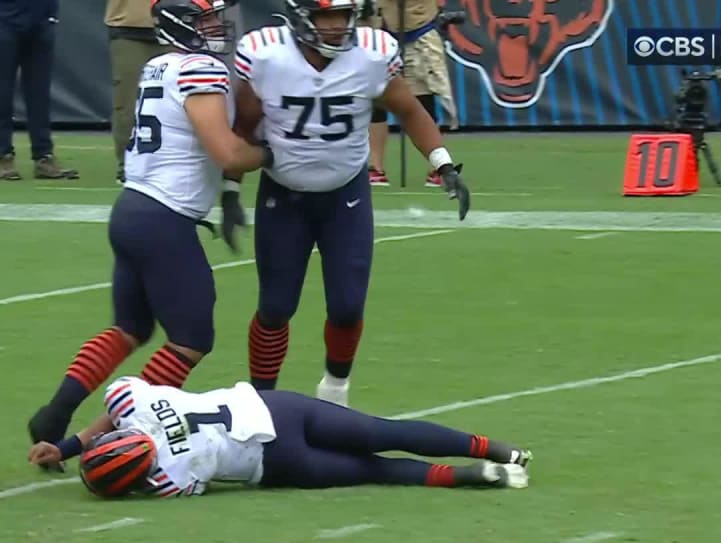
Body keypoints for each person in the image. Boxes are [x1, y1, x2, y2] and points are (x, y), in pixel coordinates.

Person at [25, 0, 271, 471]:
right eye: (208, 18)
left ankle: (54, 412)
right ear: (184, 23)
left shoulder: (158, 65)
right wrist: (274, 154)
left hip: (133, 206)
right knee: (191, 338)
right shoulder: (200, 69)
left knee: (130, 329)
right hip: (165, 216)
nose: (218, 26)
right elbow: (226, 152)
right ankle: (119, 431)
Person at [225, 0, 470, 409]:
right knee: (275, 306)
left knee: (347, 305)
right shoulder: (266, 54)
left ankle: (336, 395)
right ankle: (260, 404)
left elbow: (409, 110)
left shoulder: (371, 54)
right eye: (327, 16)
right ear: (302, 17)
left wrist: (443, 165)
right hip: (284, 194)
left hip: (345, 194)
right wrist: (231, 190)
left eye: (344, 15)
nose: (338, 26)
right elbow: (243, 127)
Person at [29, 375, 531, 498]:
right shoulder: (133, 403)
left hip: (275, 464)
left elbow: (140, 475)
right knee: (385, 431)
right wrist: (76, 444)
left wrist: (115, 474)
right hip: (272, 408)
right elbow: (112, 414)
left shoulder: (167, 478)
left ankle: (474, 476)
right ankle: (497, 448)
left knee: (376, 470)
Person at [0, 0, 78, 180]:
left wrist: (52, 16)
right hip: (2, 24)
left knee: (39, 95)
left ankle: (44, 157)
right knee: (1, 93)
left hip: (40, 26)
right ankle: (4, 156)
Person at [367, 0, 457, 187]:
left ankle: (439, 167)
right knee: (375, 98)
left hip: (419, 31)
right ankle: (375, 167)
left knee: (423, 101)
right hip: (378, 33)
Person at [106, 0, 167, 184]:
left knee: (181, 99)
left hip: (182, 21)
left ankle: (178, 163)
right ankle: (128, 163)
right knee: (128, 100)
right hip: (129, 25)